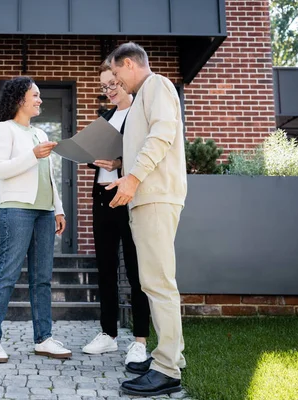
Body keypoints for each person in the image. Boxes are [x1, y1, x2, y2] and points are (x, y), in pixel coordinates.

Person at [106, 42, 187, 397]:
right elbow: (146, 144)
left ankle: (167, 369)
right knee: (154, 280)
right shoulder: (142, 97)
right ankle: (169, 357)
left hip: (154, 196)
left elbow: (162, 135)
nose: (116, 80)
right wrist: (123, 169)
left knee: (158, 282)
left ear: (128, 64)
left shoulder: (157, 85)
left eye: (117, 73)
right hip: (145, 197)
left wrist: (135, 177)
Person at [0, 76, 72, 363]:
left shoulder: (41, 133)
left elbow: (48, 176)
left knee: (42, 278)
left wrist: (58, 208)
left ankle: (43, 338)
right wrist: (32, 155)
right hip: (17, 209)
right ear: (20, 98)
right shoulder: (5, 130)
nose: (40, 100)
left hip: (44, 212)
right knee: (7, 274)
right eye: (35, 95)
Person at [82, 61, 150, 366]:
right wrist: (93, 157)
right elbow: (93, 158)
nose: (108, 91)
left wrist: (119, 163)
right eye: (104, 87)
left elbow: (144, 156)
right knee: (106, 270)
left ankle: (139, 341)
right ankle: (108, 335)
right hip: (102, 197)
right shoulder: (106, 116)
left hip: (129, 196)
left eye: (112, 84)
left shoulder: (140, 113)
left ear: (124, 79)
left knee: (136, 272)